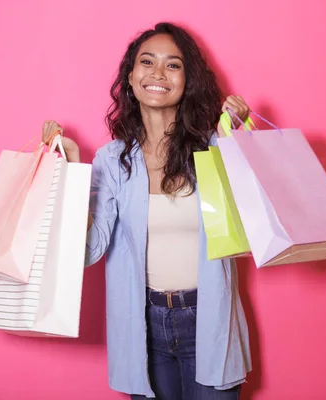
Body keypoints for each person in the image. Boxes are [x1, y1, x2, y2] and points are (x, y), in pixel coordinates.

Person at [44, 22, 252, 400]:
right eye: (147, 62)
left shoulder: (214, 148)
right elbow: (90, 251)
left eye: (173, 65)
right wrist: (73, 168)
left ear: (188, 81)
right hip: (142, 323)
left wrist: (240, 145)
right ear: (130, 76)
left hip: (209, 317)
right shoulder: (112, 160)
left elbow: (250, 229)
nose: (158, 73)